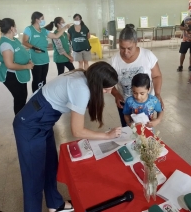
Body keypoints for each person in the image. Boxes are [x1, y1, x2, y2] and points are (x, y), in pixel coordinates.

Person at [13, 62, 122, 212]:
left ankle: (55, 204)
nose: (109, 92)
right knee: (33, 179)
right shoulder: (81, 89)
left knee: (51, 166)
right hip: (29, 125)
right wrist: (106, 135)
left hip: (43, 122)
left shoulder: (86, 76)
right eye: (106, 89)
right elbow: (77, 131)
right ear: (97, 84)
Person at [111, 24, 163, 127]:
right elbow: (109, 83)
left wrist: (157, 94)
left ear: (136, 43)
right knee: (128, 130)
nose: (125, 52)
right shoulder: (114, 60)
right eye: (122, 48)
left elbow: (157, 76)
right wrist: (116, 95)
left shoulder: (147, 55)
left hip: (145, 104)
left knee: (145, 132)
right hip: (126, 104)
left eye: (129, 48)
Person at [22, 11, 70, 92]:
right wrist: (34, 47)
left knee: (43, 79)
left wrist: (64, 28)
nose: (44, 20)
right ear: (37, 19)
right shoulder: (29, 29)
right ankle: (35, 96)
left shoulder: (44, 30)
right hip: (35, 59)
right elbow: (24, 42)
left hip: (45, 59)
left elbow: (56, 36)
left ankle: (41, 95)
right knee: (37, 79)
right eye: (42, 19)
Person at [0, 18, 34, 114]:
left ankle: (22, 117)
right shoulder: (5, 44)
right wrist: (26, 67)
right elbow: (9, 64)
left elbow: (21, 51)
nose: (16, 28)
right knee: (19, 98)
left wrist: (28, 60)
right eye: (15, 26)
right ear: (12, 28)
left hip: (20, 73)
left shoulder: (14, 39)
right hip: (11, 75)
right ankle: (19, 120)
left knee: (23, 95)